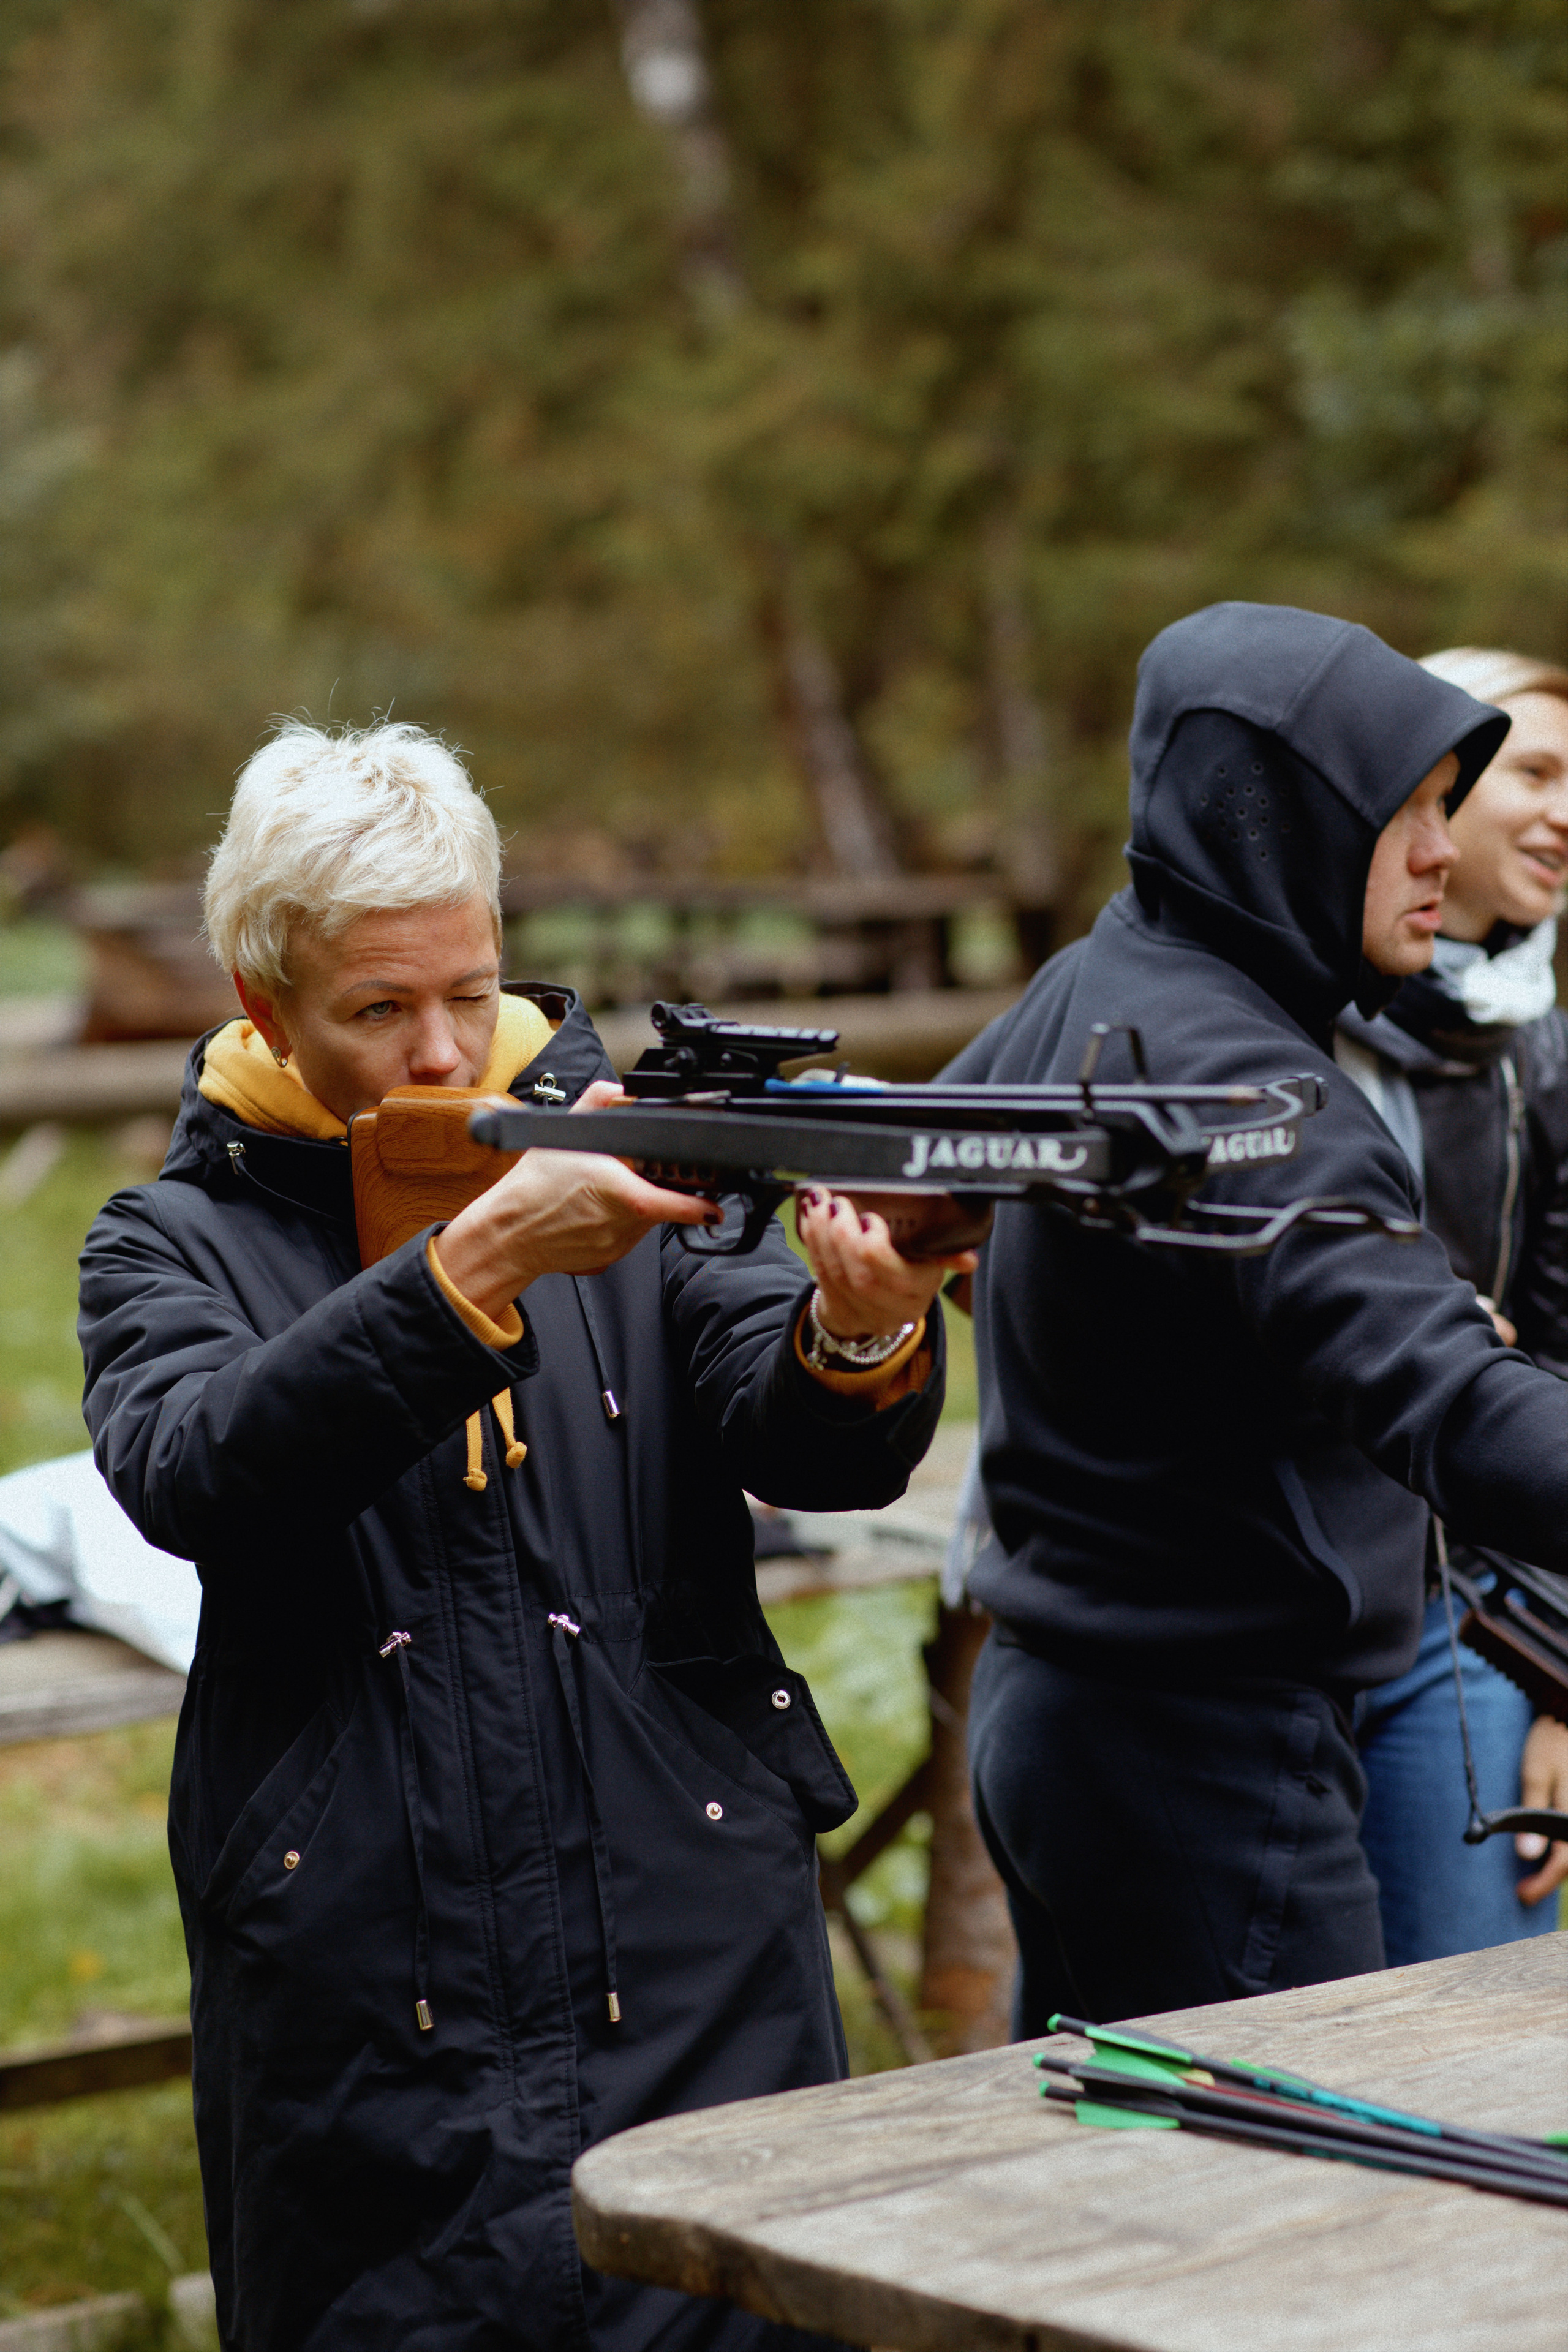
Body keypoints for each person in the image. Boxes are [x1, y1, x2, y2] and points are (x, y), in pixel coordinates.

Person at [77, 722, 968, 2352]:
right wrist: (465, 1277)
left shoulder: (629, 1152)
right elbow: (193, 1472)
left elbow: (802, 1431)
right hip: (359, 1982)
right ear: (262, 1003)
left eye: (468, 993)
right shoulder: (165, 1241)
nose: (444, 1055)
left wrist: (863, 1327)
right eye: (378, 1010)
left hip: (689, 1933)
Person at [943, 601, 1568, 2031]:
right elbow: (1453, 1401)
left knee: (1133, 2196)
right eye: (1405, 813)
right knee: (1289, 2220)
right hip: (1199, 1752)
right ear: (1284, 819)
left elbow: (933, 1193)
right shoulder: (1250, 1095)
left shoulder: (1098, 982)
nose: (1437, 854)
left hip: (1060, 1717)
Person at [1336, 649, 1568, 1959]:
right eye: (1528, 773)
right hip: (1260, 1603)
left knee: (1466, 2013)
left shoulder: (1535, 1046)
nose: (1559, 812)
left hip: (1458, 1607)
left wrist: (1554, 1679)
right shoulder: (1269, 1016)